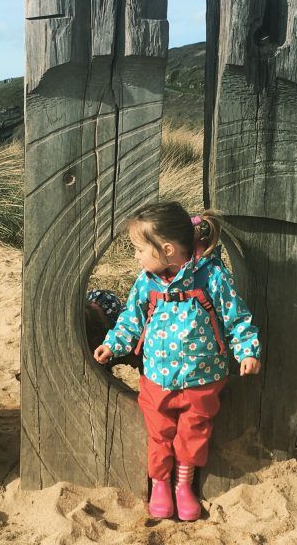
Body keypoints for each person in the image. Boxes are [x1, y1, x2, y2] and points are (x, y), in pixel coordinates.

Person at [93, 202, 261, 521]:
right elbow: (132, 316)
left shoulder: (211, 276)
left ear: (167, 249)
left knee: (193, 432)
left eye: (140, 249)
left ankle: (183, 486)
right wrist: (113, 344)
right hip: (157, 376)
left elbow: (235, 316)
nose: (136, 256)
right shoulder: (147, 281)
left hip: (203, 376)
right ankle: (159, 485)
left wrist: (247, 351)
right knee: (159, 432)